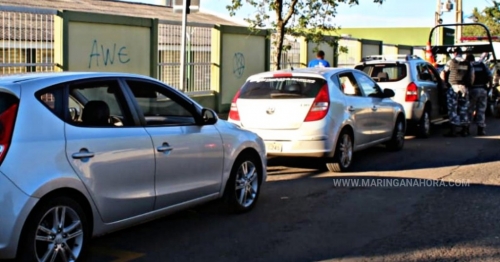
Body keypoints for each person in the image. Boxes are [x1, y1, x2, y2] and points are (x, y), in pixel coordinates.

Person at [440, 48, 474, 137]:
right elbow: (472, 76)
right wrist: (469, 85)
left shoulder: (451, 62)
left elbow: (443, 73)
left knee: (452, 109)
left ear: (455, 53)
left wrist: (444, 84)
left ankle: (453, 130)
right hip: (464, 88)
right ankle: (465, 130)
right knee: (464, 109)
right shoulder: (468, 63)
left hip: (453, 87)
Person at [466, 53, 491, 136]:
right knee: (481, 110)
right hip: (483, 89)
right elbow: (490, 75)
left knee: (470, 109)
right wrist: (489, 87)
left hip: (472, 90)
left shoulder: (469, 65)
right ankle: (481, 130)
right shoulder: (482, 65)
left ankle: (467, 128)